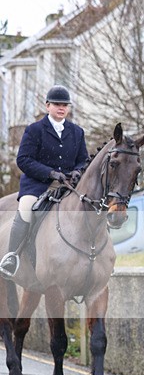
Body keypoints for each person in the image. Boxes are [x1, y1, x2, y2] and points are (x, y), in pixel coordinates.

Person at [0, 85, 87, 277]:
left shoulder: (77, 132)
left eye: (65, 105)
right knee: (26, 209)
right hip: (38, 185)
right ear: (48, 106)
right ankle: (11, 257)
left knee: (90, 206)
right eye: (57, 104)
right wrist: (50, 173)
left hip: (67, 186)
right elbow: (23, 159)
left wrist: (78, 172)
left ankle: (98, 258)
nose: (61, 108)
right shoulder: (34, 130)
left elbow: (83, 160)